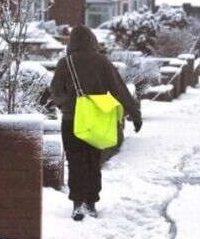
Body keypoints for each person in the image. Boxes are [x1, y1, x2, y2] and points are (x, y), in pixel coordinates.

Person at [50, 25, 142, 221]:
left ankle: (77, 204)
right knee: (93, 160)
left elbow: (56, 91)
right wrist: (134, 113)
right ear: (92, 41)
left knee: (75, 161)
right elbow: (119, 89)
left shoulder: (65, 64)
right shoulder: (102, 62)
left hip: (72, 120)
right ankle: (91, 202)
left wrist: (67, 105)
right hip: (97, 119)